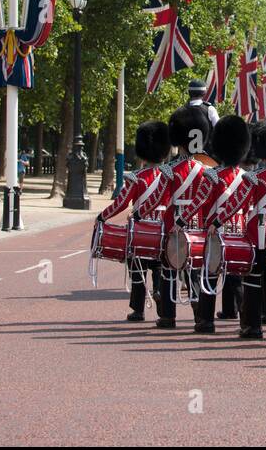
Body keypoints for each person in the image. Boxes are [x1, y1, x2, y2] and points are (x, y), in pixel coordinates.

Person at [212, 119, 266, 339]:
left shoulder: (253, 178)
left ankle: (253, 327)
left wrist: (217, 222)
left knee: (253, 279)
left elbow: (237, 204)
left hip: (257, 233)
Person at [178, 115, 250, 333]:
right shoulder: (246, 177)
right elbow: (246, 206)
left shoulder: (212, 176)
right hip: (238, 229)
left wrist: (181, 221)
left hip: (214, 230)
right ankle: (246, 320)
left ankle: (206, 321)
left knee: (209, 274)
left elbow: (199, 201)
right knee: (235, 276)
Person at [98, 121, 173, 322]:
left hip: (140, 228)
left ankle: (138, 310)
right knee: (160, 267)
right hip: (163, 227)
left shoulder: (136, 178)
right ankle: (159, 292)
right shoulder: (170, 178)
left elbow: (121, 203)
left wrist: (102, 216)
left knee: (137, 268)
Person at [154, 106, 216, 329]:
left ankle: (168, 316)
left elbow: (159, 197)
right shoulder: (206, 170)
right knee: (195, 267)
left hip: (174, 223)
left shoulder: (170, 170)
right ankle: (198, 308)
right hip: (197, 222)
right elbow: (208, 200)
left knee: (170, 266)